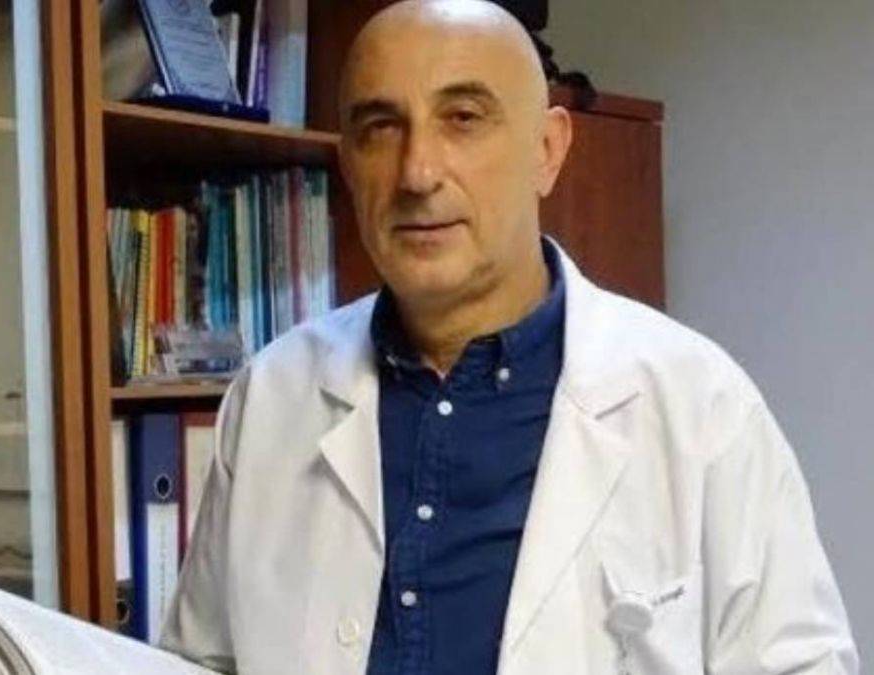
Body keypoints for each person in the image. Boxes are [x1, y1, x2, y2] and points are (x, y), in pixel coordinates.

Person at [159, 1, 859, 673]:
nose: (417, 172)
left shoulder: (701, 407)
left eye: (463, 118)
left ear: (547, 150)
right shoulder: (272, 396)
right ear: (347, 162)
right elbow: (200, 661)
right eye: (381, 127)